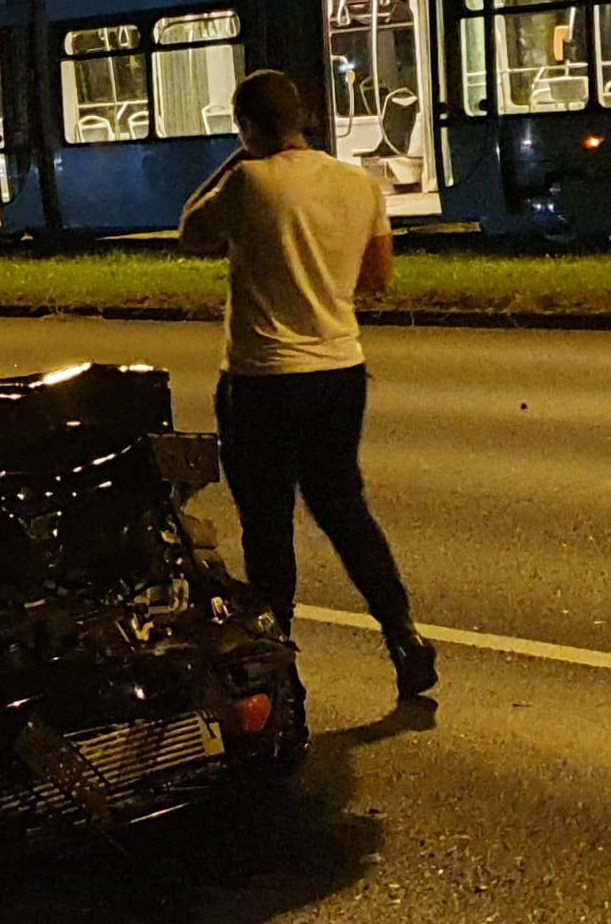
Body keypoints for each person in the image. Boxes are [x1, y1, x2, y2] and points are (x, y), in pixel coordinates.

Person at [179, 69, 436, 700]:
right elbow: (376, 278)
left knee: (268, 526)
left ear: (246, 126)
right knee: (345, 509)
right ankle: (403, 634)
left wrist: (236, 161)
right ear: (304, 120)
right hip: (339, 372)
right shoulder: (358, 182)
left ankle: (280, 670)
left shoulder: (245, 181)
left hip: (263, 379)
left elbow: (188, 230)